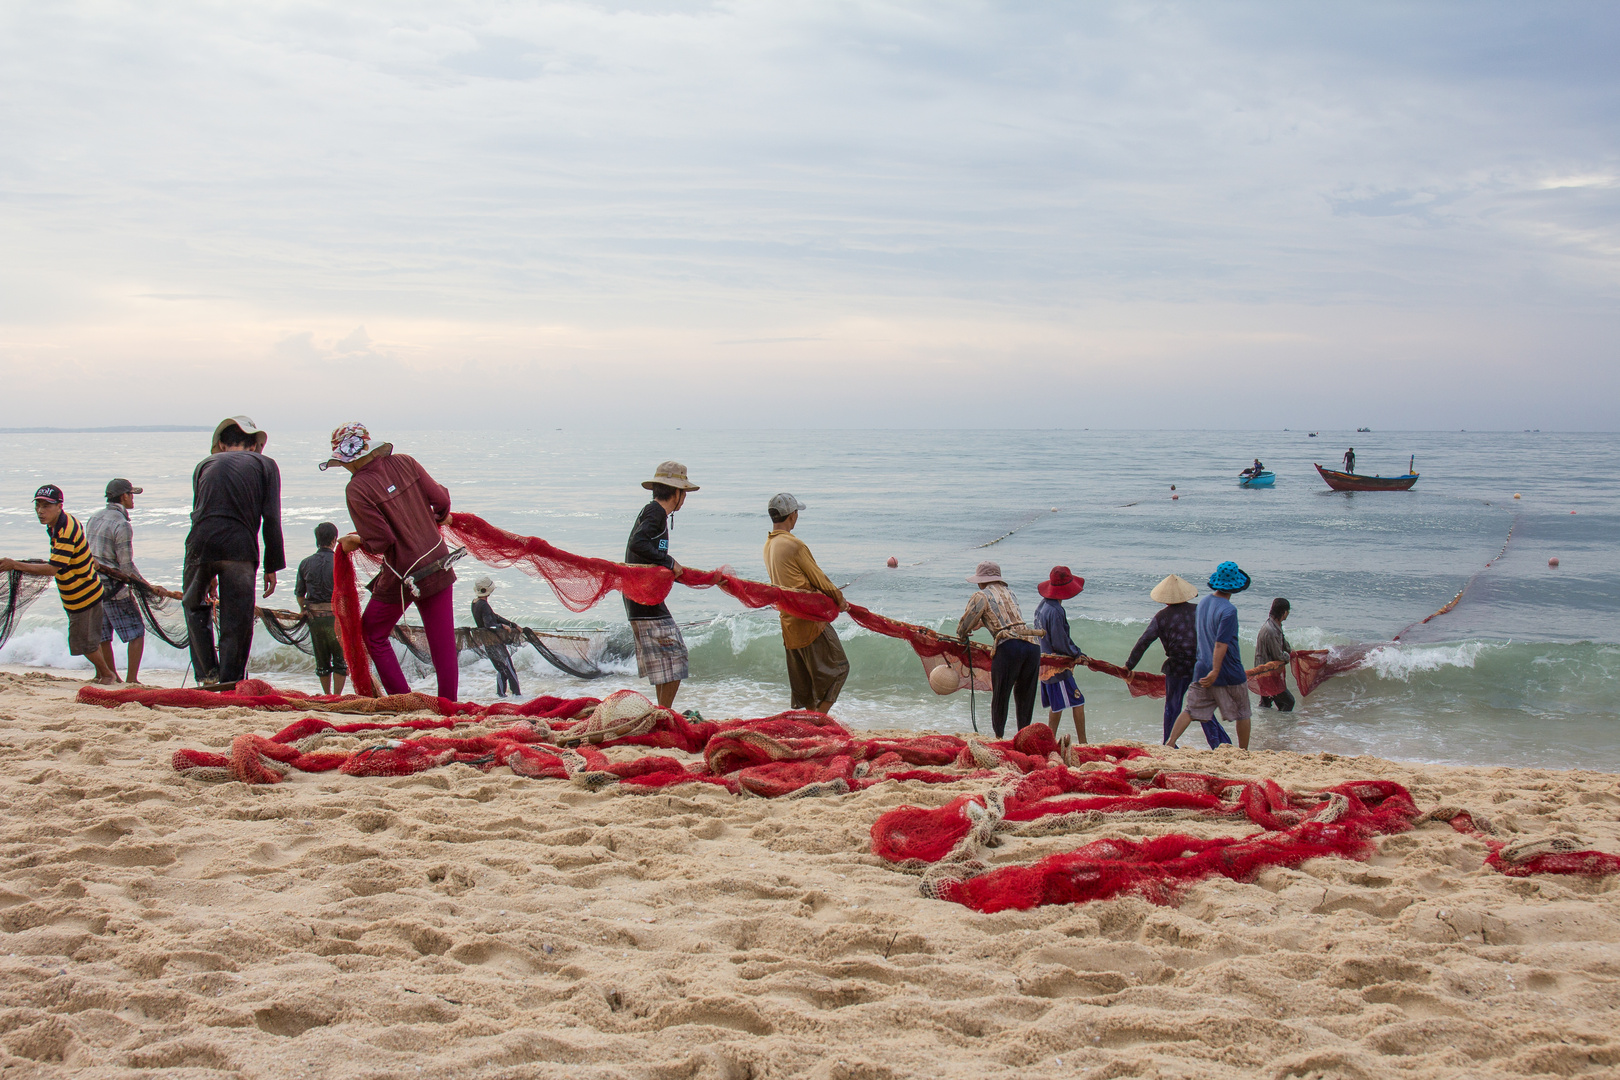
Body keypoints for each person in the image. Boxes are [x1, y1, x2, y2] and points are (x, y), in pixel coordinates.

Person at [322, 423, 459, 701]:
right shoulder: (405, 462)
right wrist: (440, 515)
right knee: (442, 643)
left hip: (403, 575)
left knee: (373, 632)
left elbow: (380, 541)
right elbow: (441, 499)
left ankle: (402, 699)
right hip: (439, 561)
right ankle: (448, 705)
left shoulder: (357, 489)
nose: (346, 469)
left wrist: (355, 541)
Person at [183, 417, 284, 687]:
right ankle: (230, 680)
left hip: (199, 544)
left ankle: (207, 674)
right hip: (239, 548)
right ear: (255, 446)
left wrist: (207, 569)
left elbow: (198, 512)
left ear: (221, 444)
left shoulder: (204, 464)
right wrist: (271, 566)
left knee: (193, 606)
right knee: (237, 618)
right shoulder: (266, 465)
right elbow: (271, 518)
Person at [0, 485, 118, 684]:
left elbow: (52, 568)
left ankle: (107, 674)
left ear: (59, 506)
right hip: (80, 592)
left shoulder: (65, 530)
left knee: (84, 643)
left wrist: (15, 564)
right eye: (38, 506)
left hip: (84, 594)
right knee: (90, 639)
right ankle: (102, 674)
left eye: (46, 506)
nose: (40, 511)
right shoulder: (59, 524)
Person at [86, 478, 180, 685]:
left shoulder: (94, 518)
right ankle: (131, 679)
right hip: (114, 588)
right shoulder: (122, 524)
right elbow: (126, 568)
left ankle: (110, 676)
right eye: (131, 494)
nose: (133, 499)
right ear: (124, 496)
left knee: (103, 634)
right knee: (136, 632)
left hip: (92, 585)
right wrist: (148, 587)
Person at [763, 493, 850, 714]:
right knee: (840, 669)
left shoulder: (769, 545)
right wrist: (839, 600)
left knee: (806, 685)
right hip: (810, 621)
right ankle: (819, 719)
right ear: (792, 515)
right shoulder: (794, 545)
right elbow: (819, 579)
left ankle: (811, 722)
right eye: (797, 513)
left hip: (788, 622)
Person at [624, 462, 700, 709]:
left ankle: (660, 712)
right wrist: (669, 561)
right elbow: (638, 543)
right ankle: (663, 712)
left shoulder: (654, 513)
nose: (685, 498)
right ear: (676, 493)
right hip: (644, 600)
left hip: (641, 598)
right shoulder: (655, 512)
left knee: (663, 664)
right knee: (677, 657)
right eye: (684, 493)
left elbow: (643, 549)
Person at [1126, 574, 1230, 748]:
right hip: (1201, 665)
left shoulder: (1162, 617)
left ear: (1165, 599)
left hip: (1177, 667)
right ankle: (1219, 743)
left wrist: (1129, 665)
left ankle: (1169, 743)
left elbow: (1144, 642)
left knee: (1172, 707)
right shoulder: (1200, 611)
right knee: (1202, 706)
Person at [1166, 561, 1253, 750]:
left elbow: (1203, 633)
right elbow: (1221, 643)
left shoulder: (1204, 602)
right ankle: (1244, 751)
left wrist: (1210, 669)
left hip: (1201, 667)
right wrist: (1216, 671)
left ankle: (1170, 743)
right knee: (1243, 712)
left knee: (1190, 710)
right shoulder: (1229, 610)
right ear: (1236, 586)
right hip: (1228, 671)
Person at [957, 560, 1044, 738]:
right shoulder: (1010, 593)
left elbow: (964, 625)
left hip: (1009, 647)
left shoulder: (981, 596)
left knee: (1001, 696)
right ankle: (1023, 736)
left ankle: (999, 737)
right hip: (1032, 645)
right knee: (1025, 697)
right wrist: (983, 624)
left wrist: (963, 634)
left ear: (982, 581)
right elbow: (1008, 620)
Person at [1032, 566, 1087, 742]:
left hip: (1046, 662)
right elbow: (1060, 641)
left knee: (1057, 705)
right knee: (1078, 700)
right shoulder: (1056, 611)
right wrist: (1076, 653)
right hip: (1057, 665)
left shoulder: (1043, 605)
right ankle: (1084, 742)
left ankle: (1050, 738)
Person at [295, 522, 348, 695]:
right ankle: (337, 696)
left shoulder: (305, 563)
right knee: (340, 661)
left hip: (315, 619)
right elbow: (347, 594)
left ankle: (327, 695)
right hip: (335, 619)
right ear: (334, 540)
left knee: (322, 661)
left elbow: (300, 595)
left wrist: (303, 609)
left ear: (317, 540)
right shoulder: (340, 562)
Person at [471, 577, 522, 698]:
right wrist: (502, 626)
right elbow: (490, 625)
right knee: (509, 669)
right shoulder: (484, 605)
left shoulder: (475, 603)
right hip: (494, 642)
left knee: (501, 669)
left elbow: (494, 616)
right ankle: (517, 695)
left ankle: (501, 695)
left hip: (487, 642)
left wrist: (512, 625)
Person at [1255, 597, 1294, 712]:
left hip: (1263, 672)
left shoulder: (1275, 625)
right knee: (1288, 702)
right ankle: (1280, 727)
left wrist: (1291, 650)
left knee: (1266, 704)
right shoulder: (1271, 630)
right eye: (1288, 611)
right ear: (1284, 612)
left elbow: (1282, 641)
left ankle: (1269, 727)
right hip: (1267, 674)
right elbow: (1278, 656)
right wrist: (1289, 657)